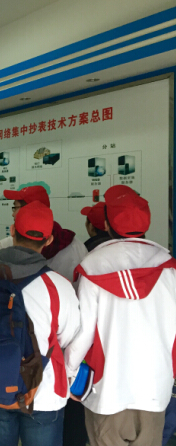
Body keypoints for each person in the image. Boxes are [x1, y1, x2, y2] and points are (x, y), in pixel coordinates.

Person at [0, 201, 81, 446]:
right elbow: (68, 337)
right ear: (48, 240)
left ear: (12, 230)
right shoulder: (58, 285)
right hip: (43, 391)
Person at [65, 185, 176, 446]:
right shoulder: (169, 268)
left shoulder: (92, 266)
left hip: (107, 392)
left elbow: (84, 335)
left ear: (106, 224)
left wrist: (69, 374)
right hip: (155, 390)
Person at [0, 185, 88, 282]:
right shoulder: (76, 246)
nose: (13, 214)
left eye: (15, 207)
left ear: (27, 211)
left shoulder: (5, 247)